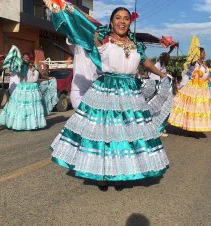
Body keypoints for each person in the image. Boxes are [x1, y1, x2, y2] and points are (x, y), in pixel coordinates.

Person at [46, 3, 170, 191]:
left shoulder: (136, 45)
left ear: (130, 22)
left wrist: (162, 75)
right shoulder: (102, 39)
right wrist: (65, 8)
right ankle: (102, 174)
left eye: (126, 18)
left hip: (130, 92)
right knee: (104, 134)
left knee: (127, 136)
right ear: (111, 22)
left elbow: (145, 62)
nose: (122, 21)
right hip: (106, 90)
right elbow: (82, 26)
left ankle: (121, 173)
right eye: (118, 18)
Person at [168, 47, 211, 132]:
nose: (205, 54)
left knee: (200, 108)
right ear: (199, 54)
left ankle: (198, 126)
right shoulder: (194, 63)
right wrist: (194, 60)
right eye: (203, 53)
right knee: (192, 107)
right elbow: (191, 66)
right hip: (194, 88)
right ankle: (190, 127)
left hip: (203, 88)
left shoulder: (204, 64)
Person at [0, 54, 47, 130]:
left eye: (27, 57)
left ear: (30, 59)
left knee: (31, 107)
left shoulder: (34, 67)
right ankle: (19, 124)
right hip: (22, 88)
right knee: (20, 107)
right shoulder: (19, 66)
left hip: (32, 89)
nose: (25, 59)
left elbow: (35, 79)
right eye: (24, 57)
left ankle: (31, 124)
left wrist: (34, 71)